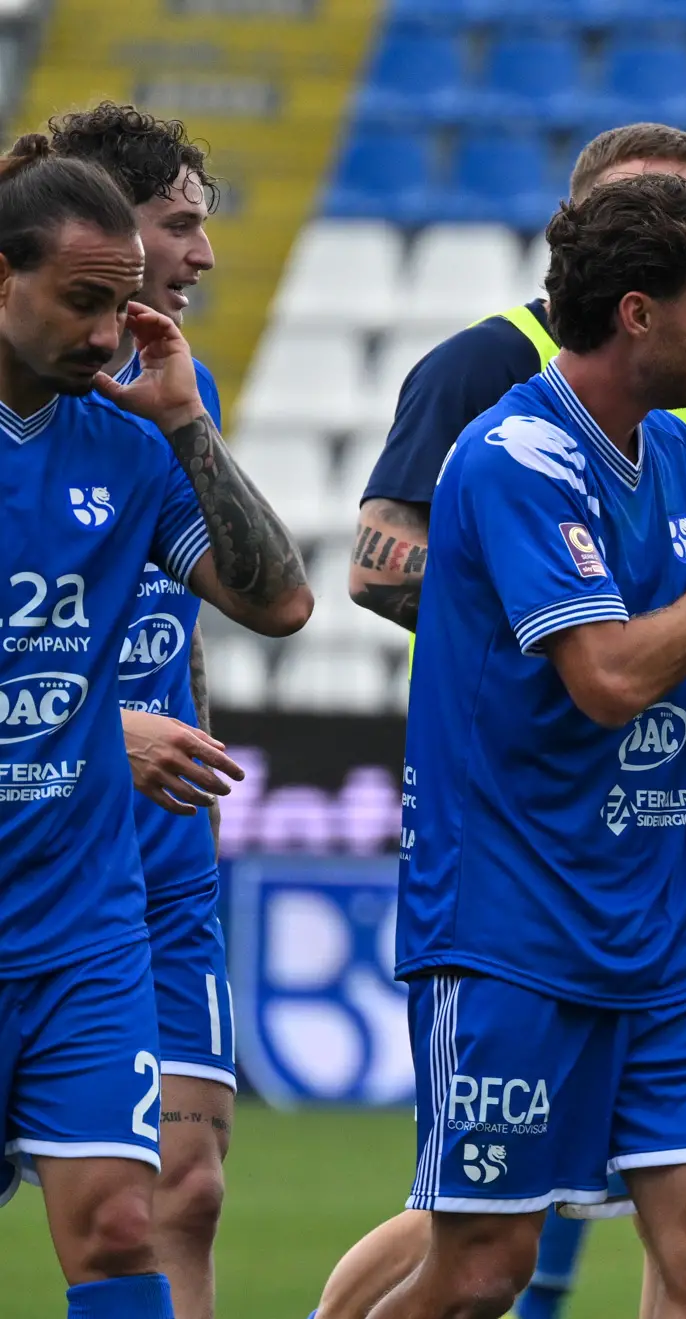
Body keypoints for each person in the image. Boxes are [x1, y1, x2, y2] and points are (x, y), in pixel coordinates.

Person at [368, 172, 686, 1319]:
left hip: (654, 919)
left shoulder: (670, 455)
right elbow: (614, 676)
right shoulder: (515, 454)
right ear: (636, 312)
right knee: (482, 1269)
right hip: (511, 919)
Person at [0, 137, 310, 1319]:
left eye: (117, 305)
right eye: (83, 303)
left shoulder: (128, 435)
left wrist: (186, 429)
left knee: (131, 1220)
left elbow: (278, 602)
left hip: (86, 919)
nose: (103, 334)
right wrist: (107, 731)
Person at [49, 102, 248, 1319]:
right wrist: (93, 732)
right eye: (180, 224)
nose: (203, 254)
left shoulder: (183, 386)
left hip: (161, 859)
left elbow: (203, 613)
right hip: (40, 837)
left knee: (182, 1189)